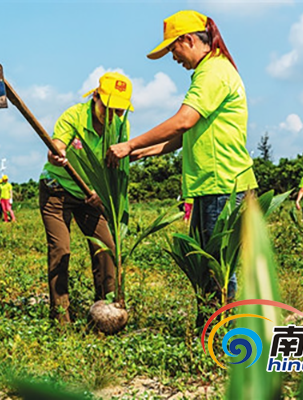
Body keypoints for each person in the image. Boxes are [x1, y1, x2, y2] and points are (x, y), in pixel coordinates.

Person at [106, 10, 258, 303]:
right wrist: (140, 151)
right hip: (211, 184)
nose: (174, 58)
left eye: (173, 49)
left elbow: (183, 121)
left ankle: (220, 332)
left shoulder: (213, 72)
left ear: (188, 40)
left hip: (222, 183)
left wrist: (129, 143)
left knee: (218, 268)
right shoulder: (211, 71)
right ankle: (213, 328)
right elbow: (182, 136)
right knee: (207, 265)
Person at [39, 71, 132, 323]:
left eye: (120, 110)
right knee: (61, 249)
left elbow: (117, 164)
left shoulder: (120, 125)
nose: (114, 115)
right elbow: (57, 144)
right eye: (109, 108)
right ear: (95, 97)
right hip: (56, 190)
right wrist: (56, 153)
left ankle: (108, 311)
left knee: (107, 248)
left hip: (90, 195)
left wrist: (102, 195)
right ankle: (61, 319)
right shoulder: (74, 116)